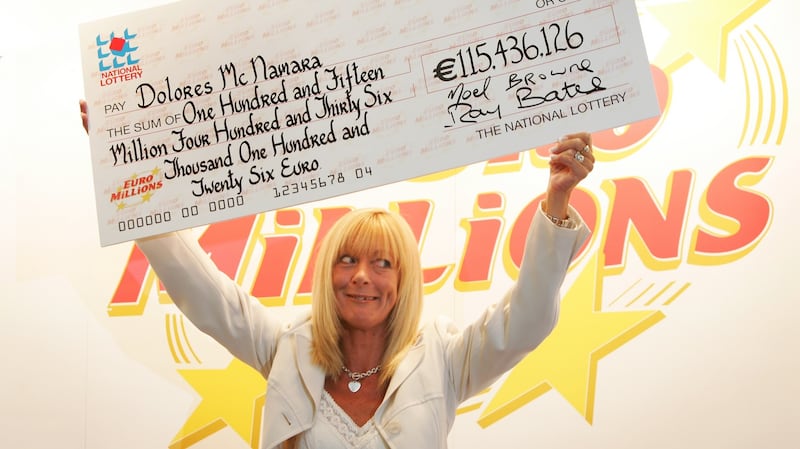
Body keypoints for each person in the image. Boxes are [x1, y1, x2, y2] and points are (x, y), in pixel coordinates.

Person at [80, 100, 594, 448]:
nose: (362, 277)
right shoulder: (285, 347)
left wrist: (557, 198)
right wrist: (128, 172)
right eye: (347, 260)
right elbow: (202, 292)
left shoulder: (444, 356)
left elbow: (525, 321)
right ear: (327, 273)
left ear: (403, 282)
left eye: (382, 263)